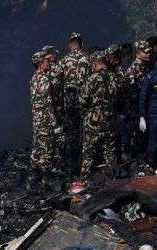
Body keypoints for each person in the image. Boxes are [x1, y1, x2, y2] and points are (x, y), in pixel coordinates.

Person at [79, 50, 117, 177]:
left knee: (88, 151)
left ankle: (84, 178)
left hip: (93, 121)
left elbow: (83, 99)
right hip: (109, 118)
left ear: (95, 63)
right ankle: (113, 178)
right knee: (109, 150)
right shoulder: (112, 76)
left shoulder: (92, 79)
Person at [59, 32, 90, 170]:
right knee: (86, 131)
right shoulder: (87, 58)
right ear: (81, 43)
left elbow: (57, 80)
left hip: (69, 101)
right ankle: (85, 163)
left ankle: (72, 164)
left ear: (70, 44)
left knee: (71, 133)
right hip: (84, 100)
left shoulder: (64, 60)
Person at [29, 51, 60, 177]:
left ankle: (34, 175)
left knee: (38, 146)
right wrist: (55, 123)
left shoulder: (33, 78)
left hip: (37, 119)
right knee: (47, 148)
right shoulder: (44, 79)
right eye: (47, 61)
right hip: (45, 119)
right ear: (40, 63)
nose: (49, 63)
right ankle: (45, 179)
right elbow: (47, 102)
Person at [127, 40, 154, 159]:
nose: (149, 54)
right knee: (137, 136)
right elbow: (131, 92)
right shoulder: (134, 69)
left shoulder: (146, 66)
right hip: (136, 109)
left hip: (146, 106)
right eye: (146, 52)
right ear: (138, 53)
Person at [42, 45, 67, 165]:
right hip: (53, 106)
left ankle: (57, 157)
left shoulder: (54, 69)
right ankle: (55, 157)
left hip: (55, 106)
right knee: (55, 131)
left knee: (58, 131)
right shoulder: (53, 68)